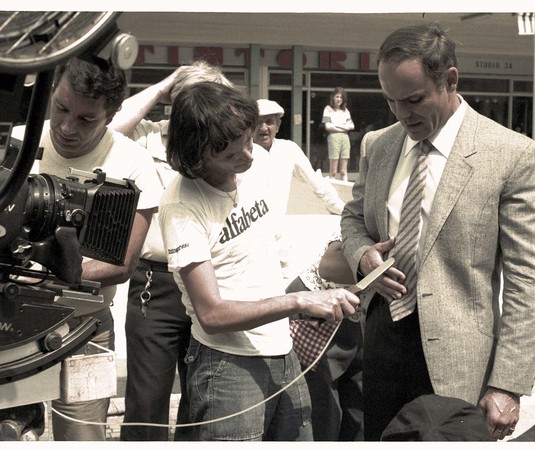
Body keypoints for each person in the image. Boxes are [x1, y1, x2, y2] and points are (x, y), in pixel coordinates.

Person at [340, 22, 535, 442]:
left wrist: (507, 383)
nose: (402, 114)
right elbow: (352, 219)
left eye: (415, 99)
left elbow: (530, 279)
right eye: (390, 101)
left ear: (450, 80)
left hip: (459, 366)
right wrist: (362, 254)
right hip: (380, 346)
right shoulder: (379, 145)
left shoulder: (512, 154)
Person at [158, 81, 360, 441]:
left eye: (249, 142)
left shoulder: (258, 164)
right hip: (227, 363)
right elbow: (212, 314)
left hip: (282, 348)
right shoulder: (182, 205)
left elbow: (270, 249)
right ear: (195, 156)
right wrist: (298, 301)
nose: (248, 157)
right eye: (231, 155)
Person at [13, 57, 162, 440]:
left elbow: (123, 266)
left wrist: (52, 272)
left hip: (85, 328)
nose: (66, 127)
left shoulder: (134, 164)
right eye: (61, 108)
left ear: (111, 116)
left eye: (86, 119)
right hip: (7, 318)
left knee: (83, 437)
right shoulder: (12, 143)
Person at [109, 60, 232, 441]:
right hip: (155, 284)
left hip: (213, 280)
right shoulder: (147, 137)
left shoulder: (222, 145)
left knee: (204, 401)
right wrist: (164, 86)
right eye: (186, 100)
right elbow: (109, 128)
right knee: (146, 404)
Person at [285, 230, 364, 441]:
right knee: (320, 410)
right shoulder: (370, 210)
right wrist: (382, 267)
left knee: (360, 410)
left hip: (360, 316)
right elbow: (328, 267)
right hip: (320, 310)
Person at [253, 98, 345, 276]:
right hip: (250, 248)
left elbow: (318, 185)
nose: (263, 128)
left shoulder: (288, 150)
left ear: (278, 125)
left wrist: (345, 211)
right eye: (257, 123)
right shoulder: (240, 154)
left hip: (280, 248)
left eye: (269, 122)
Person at [322, 87, 354, 181]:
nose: (339, 99)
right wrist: (343, 126)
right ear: (333, 97)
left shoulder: (345, 110)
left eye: (341, 97)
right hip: (333, 138)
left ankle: (346, 192)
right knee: (333, 171)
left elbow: (351, 126)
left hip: (345, 138)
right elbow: (328, 126)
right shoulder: (328, 109)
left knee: (343, 171)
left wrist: (335, 125)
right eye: (337, 96)